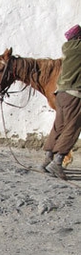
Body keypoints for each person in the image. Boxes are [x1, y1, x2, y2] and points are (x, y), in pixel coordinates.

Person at [41, 24, 81, 180]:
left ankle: (47, 159)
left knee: (59, 126)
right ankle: (57, 162)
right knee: (72, 126)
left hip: (61, 93)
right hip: (74, 94)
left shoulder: (68, 48)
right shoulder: (78, 47)